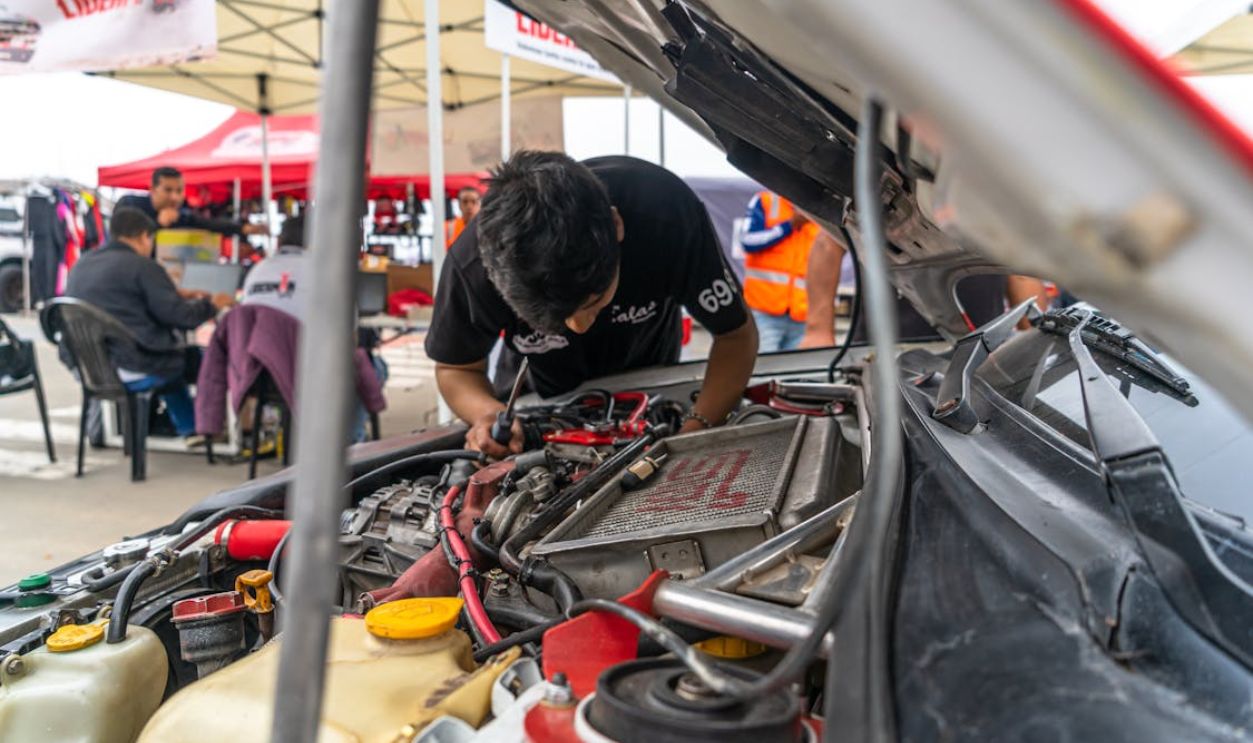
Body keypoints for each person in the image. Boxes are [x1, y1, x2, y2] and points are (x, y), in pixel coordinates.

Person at [426, 151, 758, 458]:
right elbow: (456, 368)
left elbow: (736, 336)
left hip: (649, 382)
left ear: (616, 226)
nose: (579, 327)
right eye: (549, 320)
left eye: (593, 301)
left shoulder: (666, 215)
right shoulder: (472, 265)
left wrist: (695, 430)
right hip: (541, 396)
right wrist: (487, 414)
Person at [64, 207, 234, 443]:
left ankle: (188, 426)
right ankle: (201, 428)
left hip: (87, 368)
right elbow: (180, 317)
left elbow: (125, 302)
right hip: (133, 367)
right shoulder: (144, 267)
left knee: (171, 358)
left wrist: (176, 294)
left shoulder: (82, 265)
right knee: (194, 359)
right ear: (144, 236)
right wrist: (213, 305)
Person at [240, 212, 387, 442]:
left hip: (262, 376)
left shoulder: (256, 272)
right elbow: (349, 338)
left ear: (280, 242)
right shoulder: (328, 274)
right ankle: (350, 444)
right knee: (374, 366)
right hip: (312, 374)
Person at [740, 190, 824, 352]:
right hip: (764, 312)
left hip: (803, 316)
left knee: (796, 375)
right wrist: (789, 226)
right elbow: (747, 241)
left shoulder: (821, 212)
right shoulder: (765, 201)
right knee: (763, 372)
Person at [115, 167, 268, 238]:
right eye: (168, 190)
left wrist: (244, 228)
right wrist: (158, 224)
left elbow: (209, 224)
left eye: (179, 191)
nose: (175, 197)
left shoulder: (181, 214)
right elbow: (124, 239)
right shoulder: (130, 204)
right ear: (153, 190)